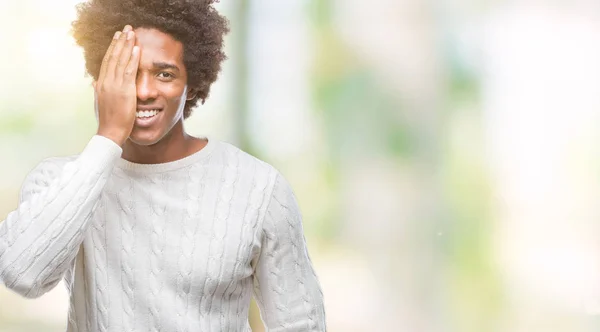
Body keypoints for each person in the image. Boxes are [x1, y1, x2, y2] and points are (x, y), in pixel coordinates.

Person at [0, 0, 326, 331]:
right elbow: (21, 275)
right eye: (128, 73)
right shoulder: (58, 183)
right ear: (102, 80)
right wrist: (108, 137)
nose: (143, 91)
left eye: (164, 73)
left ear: (193, 81)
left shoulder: (257, 187)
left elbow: (301, 323)